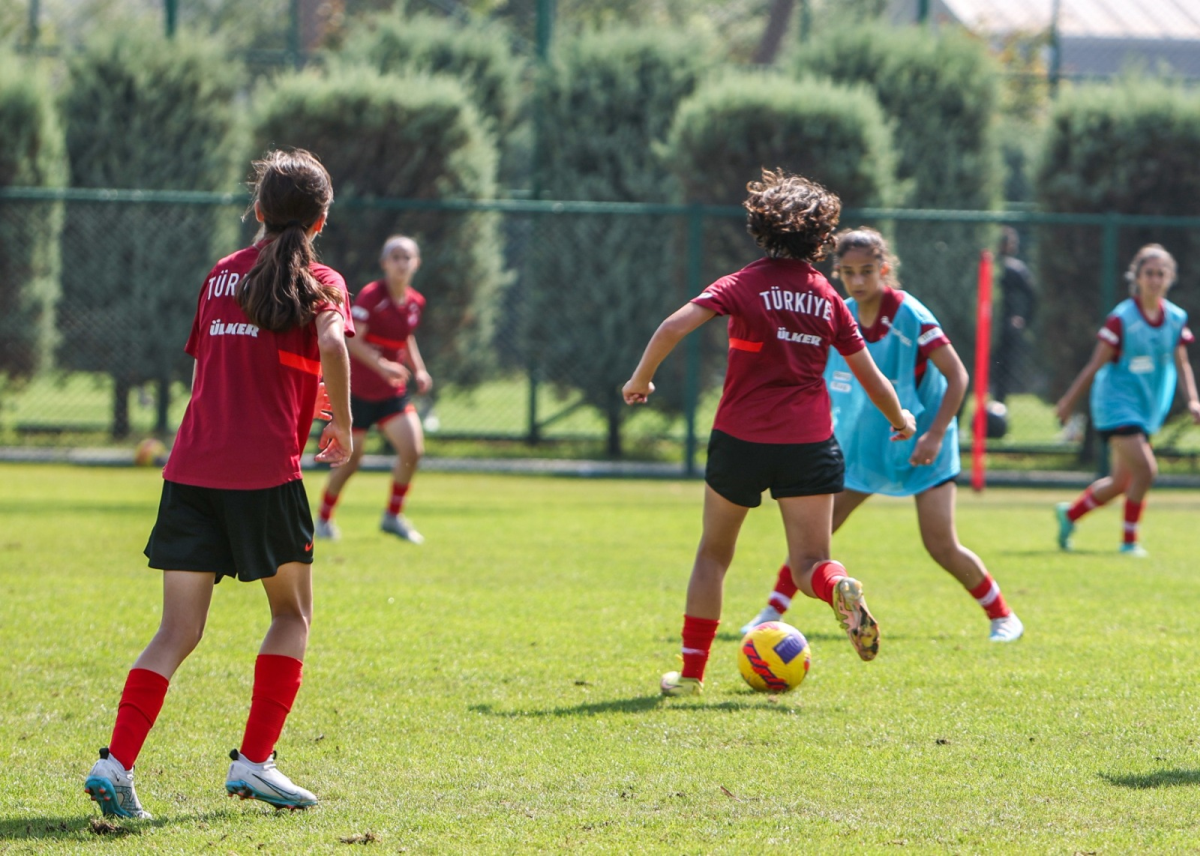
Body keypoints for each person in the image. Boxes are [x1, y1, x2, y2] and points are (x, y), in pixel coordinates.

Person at [84, 149, 354, 818]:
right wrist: (342, 424)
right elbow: (333, 346)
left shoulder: (218, 277)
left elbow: (226, 368)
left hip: (191, 472)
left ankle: (115, 765)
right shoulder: (321, 279)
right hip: (265, 475)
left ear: (258, 211)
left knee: (177, 630)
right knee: (291, 615)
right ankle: (256, 763)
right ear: (321, 219)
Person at [623, 169, 917, 697]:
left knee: (714, 554)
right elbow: (868, 371)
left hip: (740, 437)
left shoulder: (742, 283)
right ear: (821, 236)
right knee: (810, 565)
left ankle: (690, 677)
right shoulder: (826, 296)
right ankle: (838, 587)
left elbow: (673, 327)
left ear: (761, 226)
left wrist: (641, 378)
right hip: (808, 442)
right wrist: (900, 419)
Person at [740, 228, 1024, 643]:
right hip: (864, 449)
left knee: (941, 544)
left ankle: (1003, 617)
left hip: (925, 446)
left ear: (884, 269)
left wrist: (935, 435)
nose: (858, 281)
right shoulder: (839, 312)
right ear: (837, 273)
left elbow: (958, 376)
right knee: (816, 540)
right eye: (849, 272)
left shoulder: (911, 314)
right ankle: (771, 611)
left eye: (867, 271)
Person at [1055, 244, 1200, 556]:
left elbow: (1182, 363)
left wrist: (1193, 401)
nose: (1155, 280)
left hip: (1147, 406)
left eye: (1161, 274)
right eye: (1149, 273)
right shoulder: (1121, 319)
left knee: (1121, 482)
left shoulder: (1175, 319)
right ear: (1137, 277)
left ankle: (1069, 515)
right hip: (1115, 404)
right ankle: (1129, 541)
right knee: (1146, 471)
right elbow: (1095, 365)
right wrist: (1069, 401)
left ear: (1170, 278)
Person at [315, 235, 432, 545]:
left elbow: (406, 338)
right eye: (395, 257)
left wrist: (418, 369)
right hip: (358, 392)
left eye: (407, 257)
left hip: (391, 393)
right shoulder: (371, 296)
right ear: (384, 264)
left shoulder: (415, 302)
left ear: (416, 263)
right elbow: (352, 340)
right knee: (352, 460)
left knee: (413, 450)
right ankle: (324, 518)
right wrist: (382, 366)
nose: (402, 263)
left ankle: (392, 516)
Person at [992, 227, 1037, 404]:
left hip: (1005, 327)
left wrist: (1023, 320)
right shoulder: (989, 266)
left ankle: (999, 406)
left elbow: (1033, 297)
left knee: (1003, 369)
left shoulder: (1016, 269)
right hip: (987, 324)